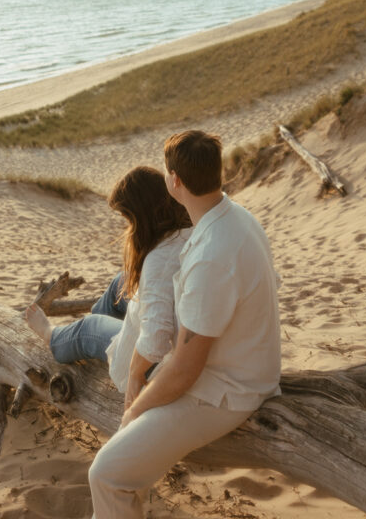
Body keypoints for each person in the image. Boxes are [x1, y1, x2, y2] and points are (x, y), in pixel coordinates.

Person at [88, 130, 281, 519]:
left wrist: (135, 408)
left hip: (224, 392)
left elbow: (186, 369)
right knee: (119, 466)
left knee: (105, 473)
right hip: (234, 372)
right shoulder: (233, 216)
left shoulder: (212, 253)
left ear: (174, 181)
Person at [26, 165, 191, 407]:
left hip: (154, 362)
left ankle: (55, 337)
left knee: (90, 327)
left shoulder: (158, 261)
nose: (127, 228)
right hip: (172, 325)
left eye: (128, 219)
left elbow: (156, 340)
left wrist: (135, 373)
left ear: (141, 217)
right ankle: (100, 334)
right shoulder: (185, 229)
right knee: (121, 281)